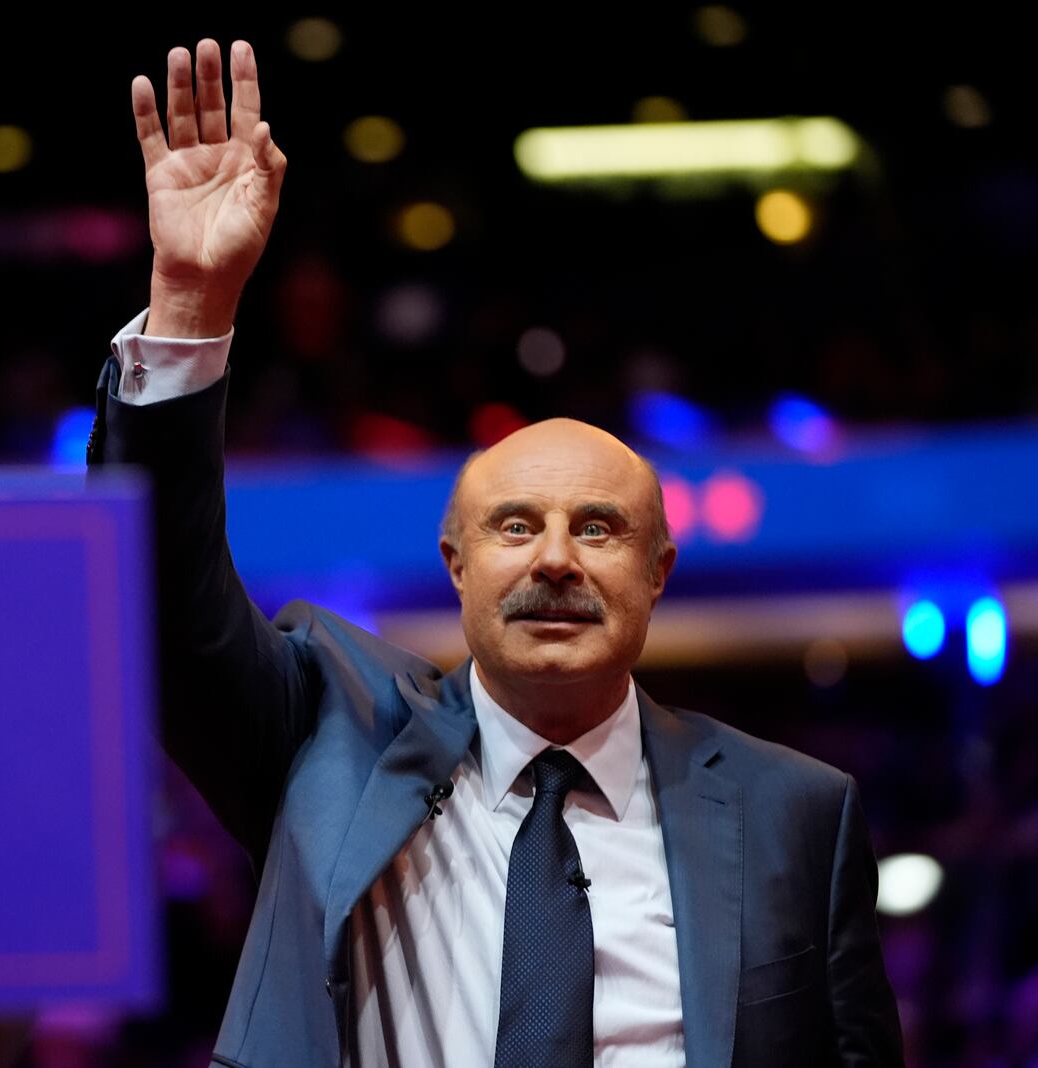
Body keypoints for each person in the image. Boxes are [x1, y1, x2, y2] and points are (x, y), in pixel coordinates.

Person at [87, 38, 905, 1068]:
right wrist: (192, 302)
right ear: (455, 564)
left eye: (597, 529)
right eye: (515, 526)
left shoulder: (796, 813)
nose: (555, 560)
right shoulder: (325, 743)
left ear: (658, 572)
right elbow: (159, 603)